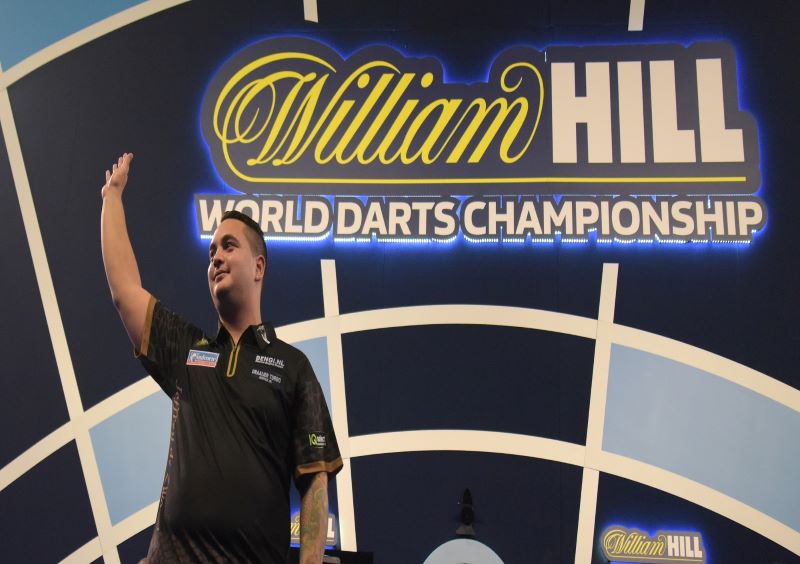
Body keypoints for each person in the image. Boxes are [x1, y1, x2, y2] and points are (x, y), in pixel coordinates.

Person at [101, 153, 342, 563]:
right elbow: (125, 291)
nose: (216, 257)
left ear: (259, 267)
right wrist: (112, 197)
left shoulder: (293, 367)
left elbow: (316, 480)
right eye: (212, 250)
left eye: (229, 246)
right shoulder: (187, 348)